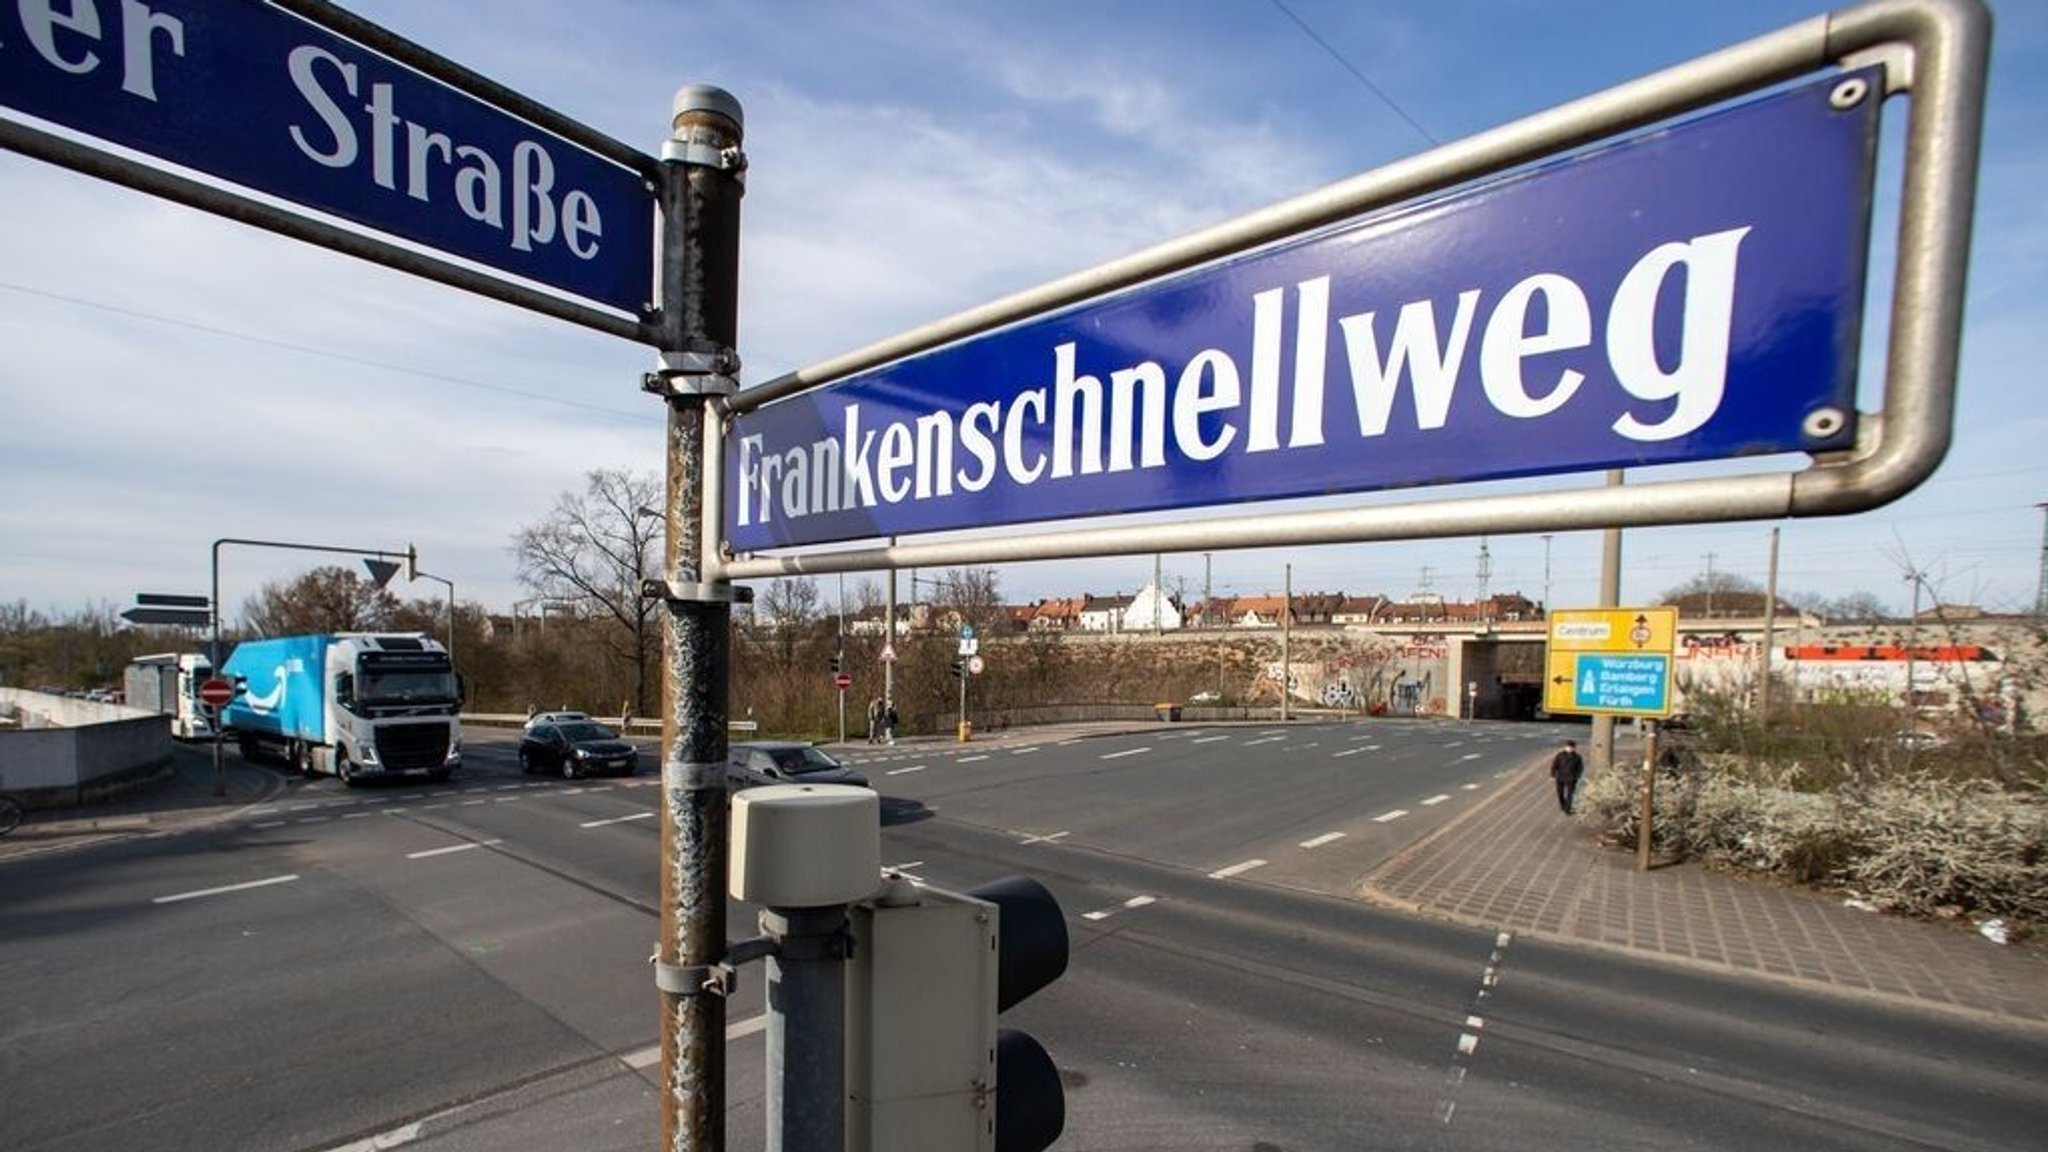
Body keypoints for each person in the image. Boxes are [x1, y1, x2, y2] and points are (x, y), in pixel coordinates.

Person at [1550, 739, 1585, 815]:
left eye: (1571, 747)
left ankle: (1567, 809)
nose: (1569, 748)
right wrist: (1552, 774)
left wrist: (1577, 776)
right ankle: (1563, 805)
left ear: (1574, 748)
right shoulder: (1560, 755)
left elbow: (1580, 767)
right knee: (1560, 793)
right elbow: (1554, 765)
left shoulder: (1577, 757)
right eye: (1567, 747)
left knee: (1570, 794)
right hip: (1560, 777)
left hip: (1571, 778)